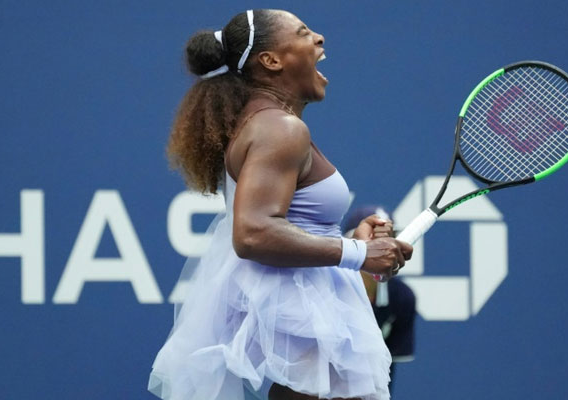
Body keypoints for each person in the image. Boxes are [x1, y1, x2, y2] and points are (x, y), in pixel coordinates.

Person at [148, 9, 413, 400]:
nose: (319, 37)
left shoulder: (267, 124)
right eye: (303, 33)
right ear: (271, 60)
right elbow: (253, 234)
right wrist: (358, 253)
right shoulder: (280, 129)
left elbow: (290, 225)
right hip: (300, 307)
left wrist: (351, 243)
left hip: (303, 301)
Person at [342, 206, 417, 395]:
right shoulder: (327, 287)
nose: (381, 249)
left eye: (388, 240)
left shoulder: (402, 297)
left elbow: (386, 369)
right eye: (371, 239)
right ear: (349, 242)